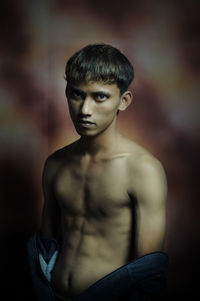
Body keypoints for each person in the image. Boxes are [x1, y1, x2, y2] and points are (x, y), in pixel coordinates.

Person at [27, 43, 168, 301]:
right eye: (77, 95)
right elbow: (45, 248)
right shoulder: (55, 163)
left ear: (123, 101)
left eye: (99, 96)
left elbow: (147, 273)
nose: (84, 110)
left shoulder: (143, 170)